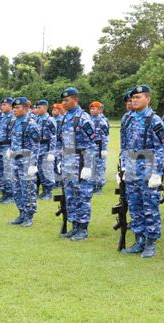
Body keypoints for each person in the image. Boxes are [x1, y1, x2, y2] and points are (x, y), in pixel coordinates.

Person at [119, 85, 164, 257]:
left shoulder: (154, 120)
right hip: (132, 168)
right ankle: (139, 239)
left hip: (148, 168)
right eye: (133, 98)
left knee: (149, 206)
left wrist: (157, 172)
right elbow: (124, 145)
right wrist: (123, 166)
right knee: (134, 206)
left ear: (147, 99)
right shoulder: (127, 119)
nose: (134, 100)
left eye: (138, 97)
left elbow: (162, 148)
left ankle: (150, 242)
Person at [59, 87, 97, 240]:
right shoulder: (65, 117)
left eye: (67, 100)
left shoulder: (84, 118)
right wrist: (60, 160)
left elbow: (91, 144)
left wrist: (88, 165)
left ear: (75, 99)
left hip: (80, 162)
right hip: (68, 162)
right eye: (63, 100)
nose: (64, 103)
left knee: (82, 195)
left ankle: (83, 228)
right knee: (70, 196)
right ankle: (74, 225)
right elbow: (62, 142)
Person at [7, 97, 41, 227]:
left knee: (28, 189)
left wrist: (33, 164)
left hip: (26, 161)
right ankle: (21, 213)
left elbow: (35, 146)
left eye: (17, 108)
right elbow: (14, 140)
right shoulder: (14, 122)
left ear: (26, 108)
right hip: (15, 160)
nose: (14, 110)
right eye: (13, 108)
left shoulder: (31, 124)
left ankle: (29, 215)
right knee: (16, 189)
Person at [0, 98, 15, 203]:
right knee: (0, 172)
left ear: (11, 106)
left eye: (5, 105)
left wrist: (11, 148)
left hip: (7, 147)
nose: (2, 106)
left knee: (8, 172)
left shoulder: (12, 117)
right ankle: (5, 193)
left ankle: (11, 195)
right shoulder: (1, 117)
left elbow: (14, 135)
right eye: (2, 105)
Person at [34, 100, 57, 200]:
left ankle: (48, 191)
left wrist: (51, 152)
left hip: (46, 148)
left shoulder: (50, 120)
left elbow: (54, 136)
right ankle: (44, 190)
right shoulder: (37, 119)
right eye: (37, 108)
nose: (37, 110)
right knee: (39, 171)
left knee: (47, 170)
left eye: (39, 108)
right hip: (38, 148)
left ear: (45, 108)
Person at [89, 101, 109, 194]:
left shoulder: (102, 121)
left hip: (99, 146)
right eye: (91, 109)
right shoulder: (89, 119)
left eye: (94, 109)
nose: (92, 110)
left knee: (99, 167)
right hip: (90, 147)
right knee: (91, 166)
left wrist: (104, 149)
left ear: (100, 110)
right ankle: (92, 184)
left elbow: (105, 136)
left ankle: (99, 185)